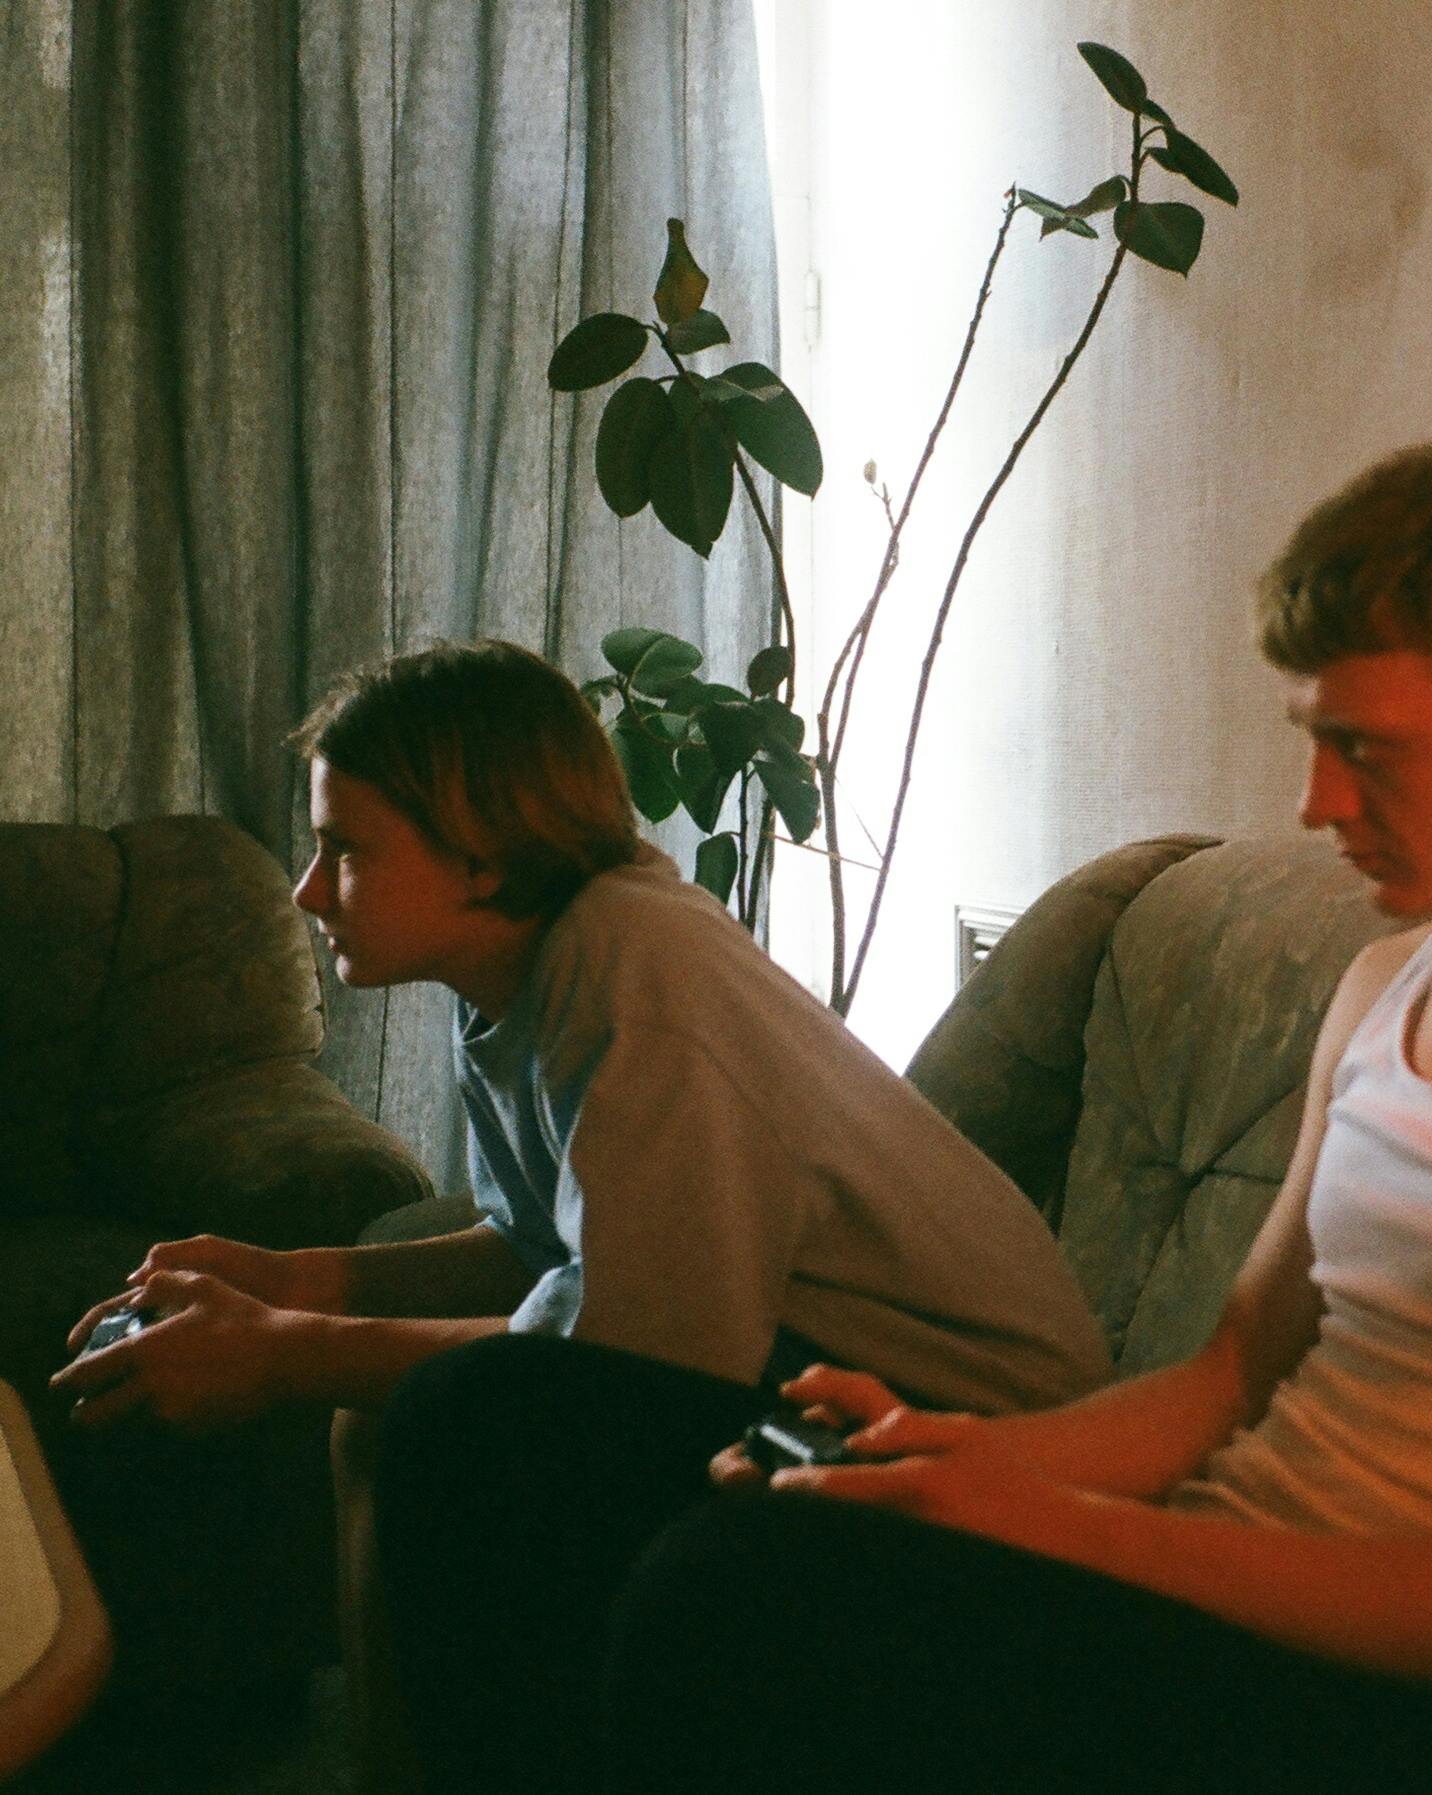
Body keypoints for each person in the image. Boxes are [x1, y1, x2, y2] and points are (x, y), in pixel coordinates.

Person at [372, 448, 1432, 1795]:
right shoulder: (1382, 986)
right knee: (512, 1425)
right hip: (1193, 1576)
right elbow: (1231, 1369)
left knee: (747, 1593)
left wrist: (1036, 1521)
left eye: (1363, 743)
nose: (1312, 799)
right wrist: (956, 1450)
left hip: (1368, 1688)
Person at [43, 641, 1109, 1768]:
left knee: (469, 1421)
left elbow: (622, 1361)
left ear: (481, 856)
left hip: (974, 1428)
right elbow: (534, 1244)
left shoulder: (636, 967)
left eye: (344, 849)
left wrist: (286, 1351)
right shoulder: (510, 975)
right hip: (796, 1373)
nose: (308, 890)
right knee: (386, 1404)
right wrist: (300, 1279)